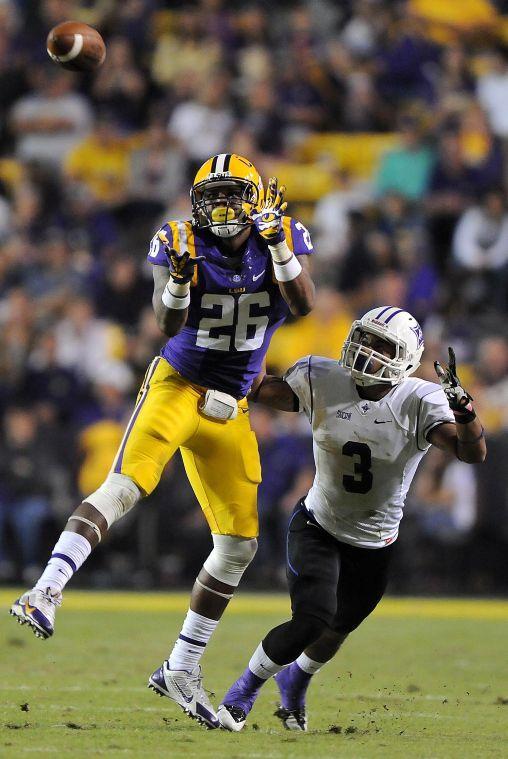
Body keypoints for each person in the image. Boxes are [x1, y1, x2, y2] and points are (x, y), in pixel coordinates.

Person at [10, 152, 315, 730]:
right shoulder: (177, 238)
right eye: (213, 196)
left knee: (239, 545)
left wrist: (277, 247)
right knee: (126, 486)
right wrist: (177, 279)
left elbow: (304, 305)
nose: (223, 208)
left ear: (258, 201)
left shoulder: (285, 237)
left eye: (233, 195)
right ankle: (45, 591)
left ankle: (182, 665)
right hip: (179, 385)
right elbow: (167, 322)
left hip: (233, 406)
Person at [217, 306, 486, 732]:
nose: (367, 350)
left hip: (377, 541)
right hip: (318, 525)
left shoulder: (418, 399)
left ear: (406, 358)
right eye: (365, 337)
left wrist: (466, 414)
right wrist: (260, 329)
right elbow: (257, 389)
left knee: (335, 631)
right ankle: (242, 692)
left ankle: (295, 683)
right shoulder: (323, 377)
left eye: (382, 345)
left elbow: (471, 452)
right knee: (312, 618)